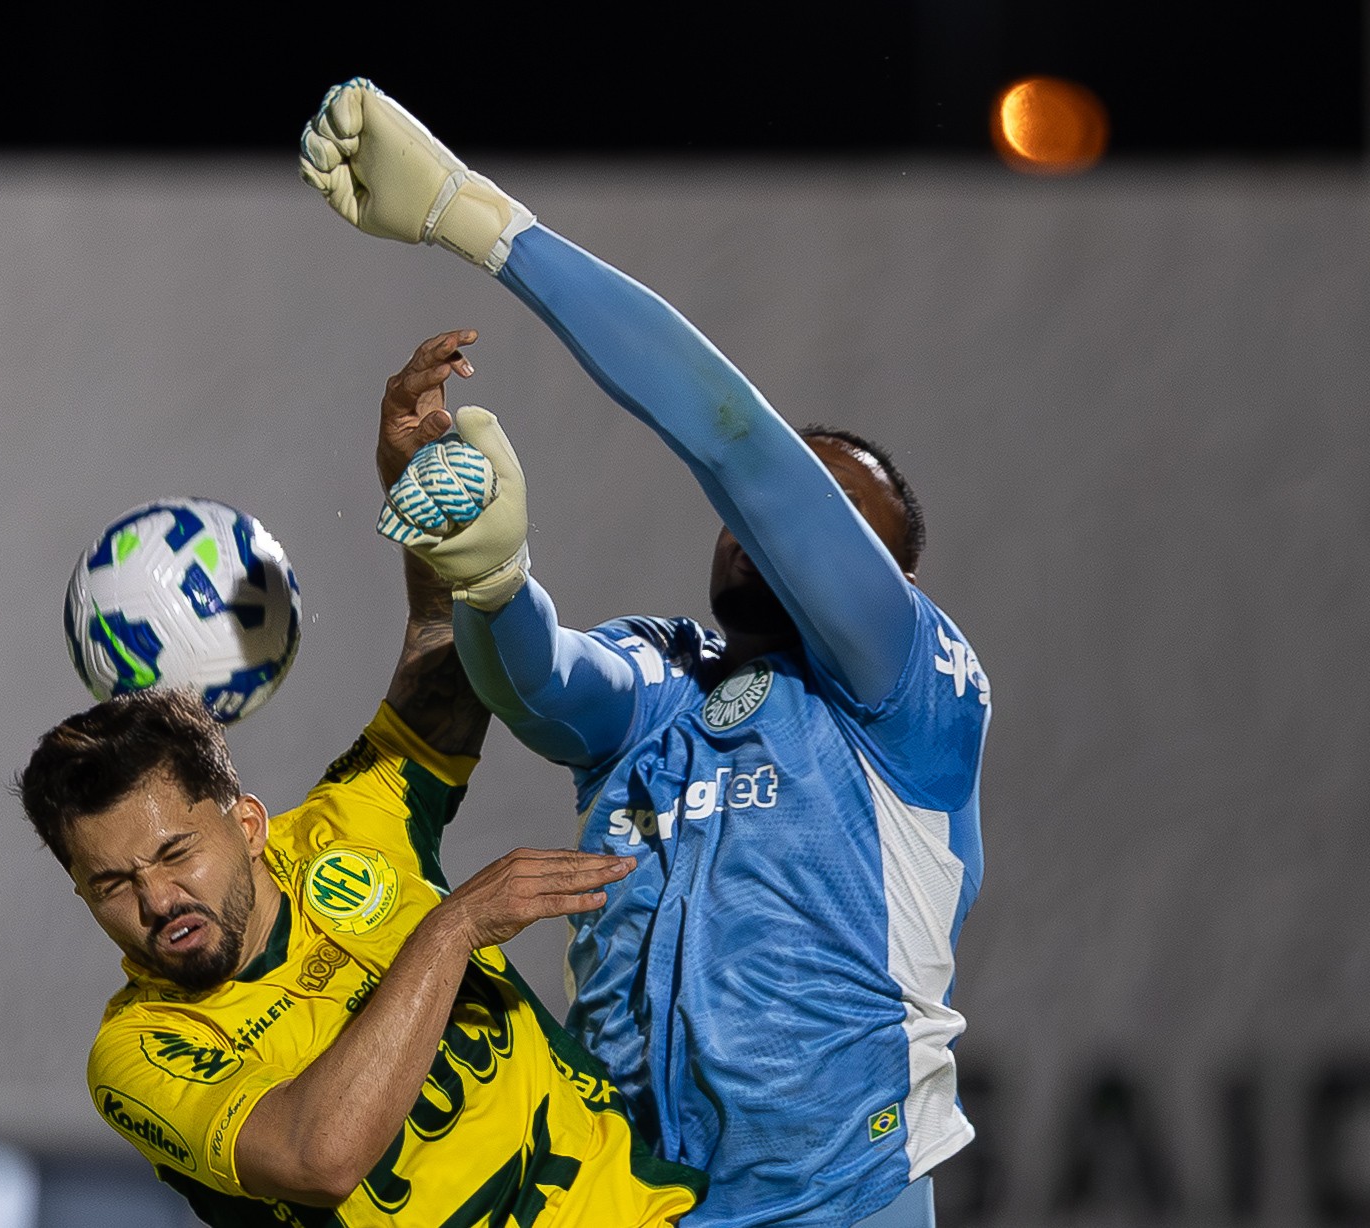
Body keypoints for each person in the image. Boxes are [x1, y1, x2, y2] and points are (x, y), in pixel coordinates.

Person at [302, 81, 991, 1227]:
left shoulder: (907, 695)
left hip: (840, 1206)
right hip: (627, 1209)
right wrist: (493, 576)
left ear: (891, 581)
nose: (761, 521)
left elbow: (733, 437)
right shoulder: (670, 680)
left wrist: (479, 220)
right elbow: (538, 683)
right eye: (769, 506)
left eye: (818, 509)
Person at [13, 380, 705, 1228]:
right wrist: (451, 929)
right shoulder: (140, 1053)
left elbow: (446, 667)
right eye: (112, 884)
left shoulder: (349, 831)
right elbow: (322, 1159)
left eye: (172, 855)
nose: (157, 901)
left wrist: (415, 487)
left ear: (249, 822)